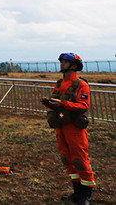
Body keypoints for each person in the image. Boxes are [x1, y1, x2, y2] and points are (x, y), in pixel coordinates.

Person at [43, 53, 95, 205]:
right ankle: (77, 193)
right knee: (67, 159)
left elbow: (84, 106)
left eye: (65, 62)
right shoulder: (59, 84)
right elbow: (56, 102)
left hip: (74, 128)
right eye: (62, 61)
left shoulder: (81, 85)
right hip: (61, 126)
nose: (62, 64)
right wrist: (49, 103)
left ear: (74, 65)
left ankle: (86, 195)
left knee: (80, 160)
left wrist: (63, 104)